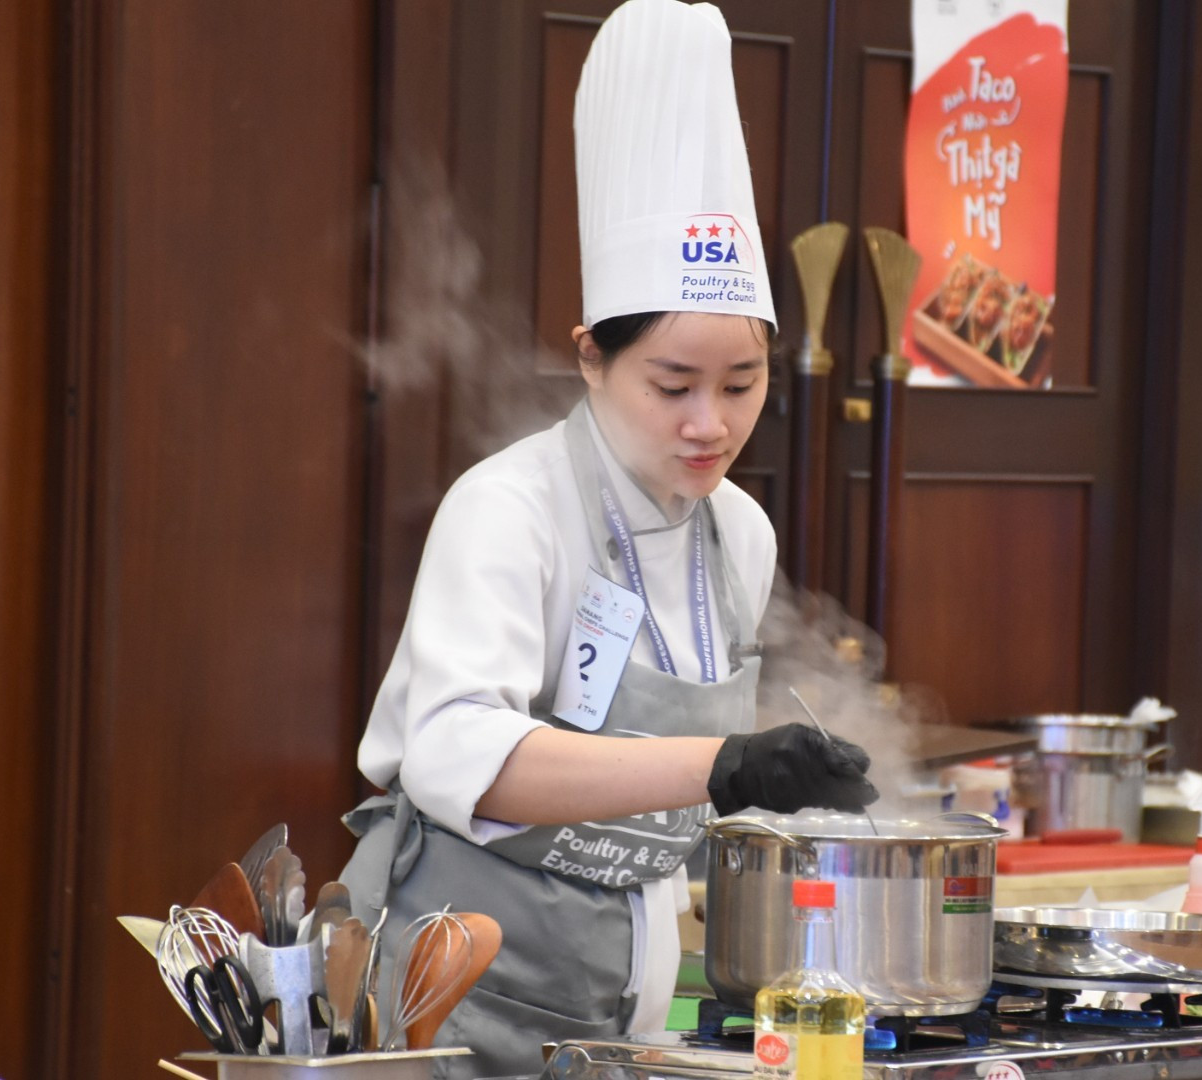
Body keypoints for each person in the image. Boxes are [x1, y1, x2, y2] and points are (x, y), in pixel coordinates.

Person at [337, 1, 878, 1074]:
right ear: (590, 357)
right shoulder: (509, 510)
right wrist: (722, 761)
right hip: (460, 1012)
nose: (710, 424)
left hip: (626, 1025)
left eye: (743, 383)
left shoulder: (740, 535)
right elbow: (457, 753)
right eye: (672, 384)